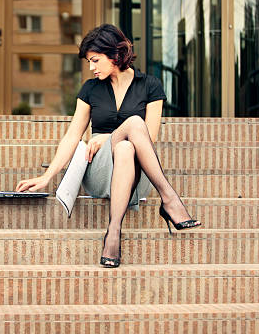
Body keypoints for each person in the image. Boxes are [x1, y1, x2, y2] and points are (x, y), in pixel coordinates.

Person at [16, 24, 201, 268]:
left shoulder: (150, 86)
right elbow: (73, 135)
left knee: (127, 145)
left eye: (95, 60)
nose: (91, 68)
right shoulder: (91, 89)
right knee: (133, 124)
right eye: (89, 62)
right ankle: (169, 200)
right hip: (100, 169)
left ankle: (113, 232)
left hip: (138, 172)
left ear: (115, 55)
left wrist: (107, 136)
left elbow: (150, 138)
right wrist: (47, 176)